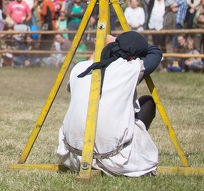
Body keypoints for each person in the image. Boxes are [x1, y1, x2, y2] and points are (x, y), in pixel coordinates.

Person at [57, 31, 163, 177]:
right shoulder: (131, 68)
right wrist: (117, 40)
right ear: (132, 57)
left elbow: (71, 88)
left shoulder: (80, 67)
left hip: (72, 157)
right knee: (148, 103)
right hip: (115, 160)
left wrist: (107, 44)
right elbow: (155, 52)